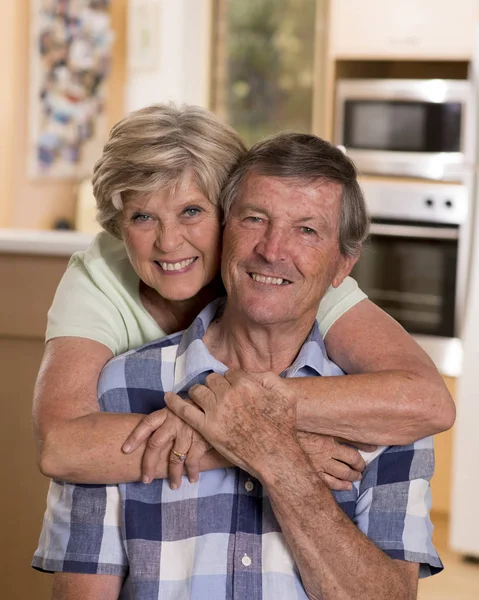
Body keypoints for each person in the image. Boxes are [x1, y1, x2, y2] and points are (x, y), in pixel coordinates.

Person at [32, 105, 451, 595]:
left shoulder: (369, 394)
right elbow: (63, 445)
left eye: (191, 211)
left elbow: (428, 400)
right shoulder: (114, 363)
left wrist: (259, 421)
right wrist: (243, 440)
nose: (169, 242)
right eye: (142, 216)